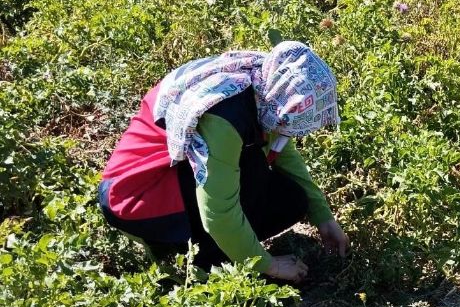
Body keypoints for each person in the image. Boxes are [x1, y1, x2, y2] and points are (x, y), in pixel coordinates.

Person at [97, 40, 348, 283]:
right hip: (134, 197)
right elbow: (218, 214)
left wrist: (323, 217)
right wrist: (268, 265)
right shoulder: (225, 116)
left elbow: (282, 148)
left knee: (291, 198)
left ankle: (223, 249)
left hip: (169, 178)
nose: (289, 127)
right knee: (254, 167)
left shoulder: (266, 87)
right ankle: (204, 264)